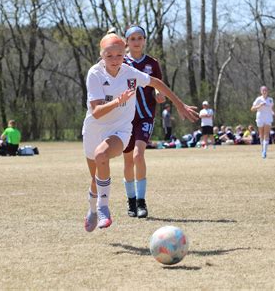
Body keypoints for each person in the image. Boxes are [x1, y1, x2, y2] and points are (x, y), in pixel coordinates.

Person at [82, 33, 198, 232]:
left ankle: (103, 208)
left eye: (119, 55)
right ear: (102, 55)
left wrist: (179, 105)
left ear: (124, 53)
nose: (115, 60)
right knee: (95, 177)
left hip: (120, 130)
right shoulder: (95, 74)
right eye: (109, 56)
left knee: (102, 155)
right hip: (94, 128)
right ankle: (92, 209)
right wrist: (118, 101)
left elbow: (156, 83)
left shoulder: (130, 72)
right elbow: (97, 112)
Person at [122, 25, 166, 219]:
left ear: (145, 40)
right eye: (133, 39)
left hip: (145, 115)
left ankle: (141, 202)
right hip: (124, 118)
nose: (137, 42)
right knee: (127, 159)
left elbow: (158, 85)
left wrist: (158, 93)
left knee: (138, 156)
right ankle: (130, 201)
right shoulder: (120, 62)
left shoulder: (152, 63)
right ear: (126, 42)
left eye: (140, 38)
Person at [251, 86, 275, 158]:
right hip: (260, 117)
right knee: (261, 135)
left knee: (266, 134)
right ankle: (262, 149)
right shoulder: (258, 99)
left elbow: (271, 109)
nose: (264, 92)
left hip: (268, 118)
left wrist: (274, 113)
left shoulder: (270, 100)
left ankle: (265, 151)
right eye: (263, 90)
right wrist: (259, 105)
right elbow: (252, 109)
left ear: (267, 91)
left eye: (266, 90)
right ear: (261, 91)